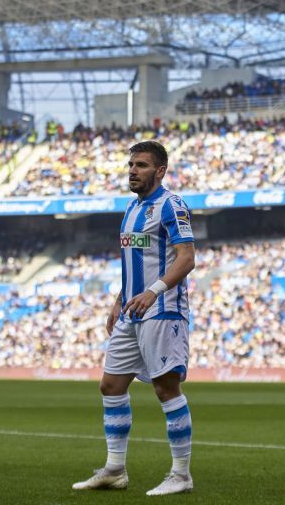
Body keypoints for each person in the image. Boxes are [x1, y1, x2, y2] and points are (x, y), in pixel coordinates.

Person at [73, 141, 197, 496]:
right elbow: (135, 263)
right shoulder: (131, 208)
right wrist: (118, 300)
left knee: (166, 387)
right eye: (131, 164)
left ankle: (181, 475)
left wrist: (153, 291)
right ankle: (114, 469)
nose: (132, 170)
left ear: (160, 171)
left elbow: (187, 258)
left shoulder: (171, 206)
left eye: (141, 165)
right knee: (110, 385)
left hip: (162, 308)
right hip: (131, 309)